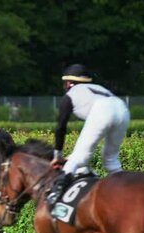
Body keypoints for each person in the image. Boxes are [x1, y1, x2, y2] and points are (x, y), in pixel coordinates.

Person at [46, 64, 131, 207]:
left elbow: (61, 127)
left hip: (103, 109)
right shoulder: (98, 88)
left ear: (68, 83)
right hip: (122, 108)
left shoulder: (70, 94)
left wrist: (57, 155)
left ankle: (55, 197)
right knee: (111, 160)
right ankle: (126, 191)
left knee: (78, 157)